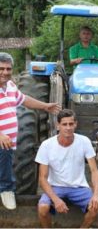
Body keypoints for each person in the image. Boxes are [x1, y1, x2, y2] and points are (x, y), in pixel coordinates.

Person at [0, 52, 61, 210]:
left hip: (10, 140)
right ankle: (6, 191)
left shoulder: (11, 86)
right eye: (1, 69)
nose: (5, 72)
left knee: (6, 163)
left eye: (8, 69)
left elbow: (24, 99)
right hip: (3, 140)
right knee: (5, 166)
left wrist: (45, 106)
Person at [35, 109, 98, 228]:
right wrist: (56, 200)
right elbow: (42, 178)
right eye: (64, 124)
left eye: (71, 124)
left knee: (95, 207)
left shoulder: (84, 141)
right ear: (58, 125)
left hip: (78, 186)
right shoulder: (47, 145)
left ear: (75, 124)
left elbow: (94, 171)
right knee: (43, 207)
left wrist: (96, 195)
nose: (68, 127)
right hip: (55, 186)